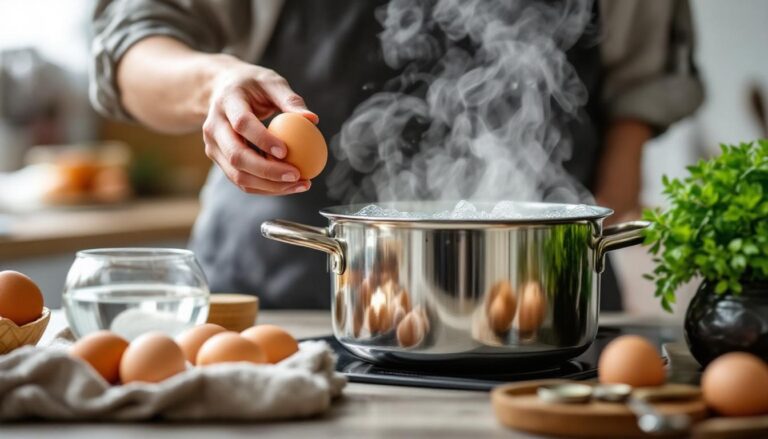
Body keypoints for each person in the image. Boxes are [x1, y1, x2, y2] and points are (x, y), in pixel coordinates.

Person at [91, 0, 703, 311]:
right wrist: (214, 85)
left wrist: (604, 221)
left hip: (539, 297)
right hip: (281, 288)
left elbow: (643, 82)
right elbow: (130, 43)